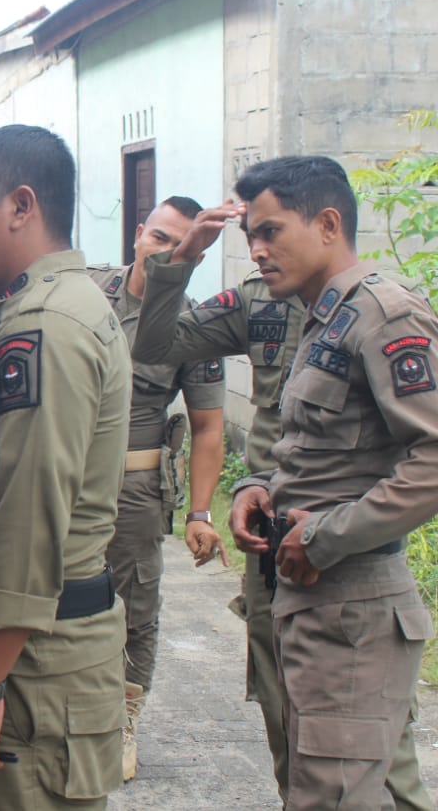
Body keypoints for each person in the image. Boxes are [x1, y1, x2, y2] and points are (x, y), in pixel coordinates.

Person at [130, 179, 435, 811]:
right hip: (284, 573)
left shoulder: (382, 313)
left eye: (271, 232)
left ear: (327, 224)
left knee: (353, 778)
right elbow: (157, 346)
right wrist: (255, 484)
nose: (258, 251)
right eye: (250, 236)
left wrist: (325, 537)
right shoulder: (286, 308)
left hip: (346, 584)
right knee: (304, 762)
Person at [0, 124, 131, 811]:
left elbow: (30, 518)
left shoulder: (45, 325)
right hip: (28, 660)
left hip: (33, 669)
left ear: (21, 205)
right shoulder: (26, 311)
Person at [86, 196, 226, 782]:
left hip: (133, 487)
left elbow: (209, 426)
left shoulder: (192, 325)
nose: (164, 250)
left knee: (134, 606)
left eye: (178, 244)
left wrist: (200, 512)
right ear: (139, 233)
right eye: (159, 237)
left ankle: (124, 720)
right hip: (59, 480)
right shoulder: (85, 291)